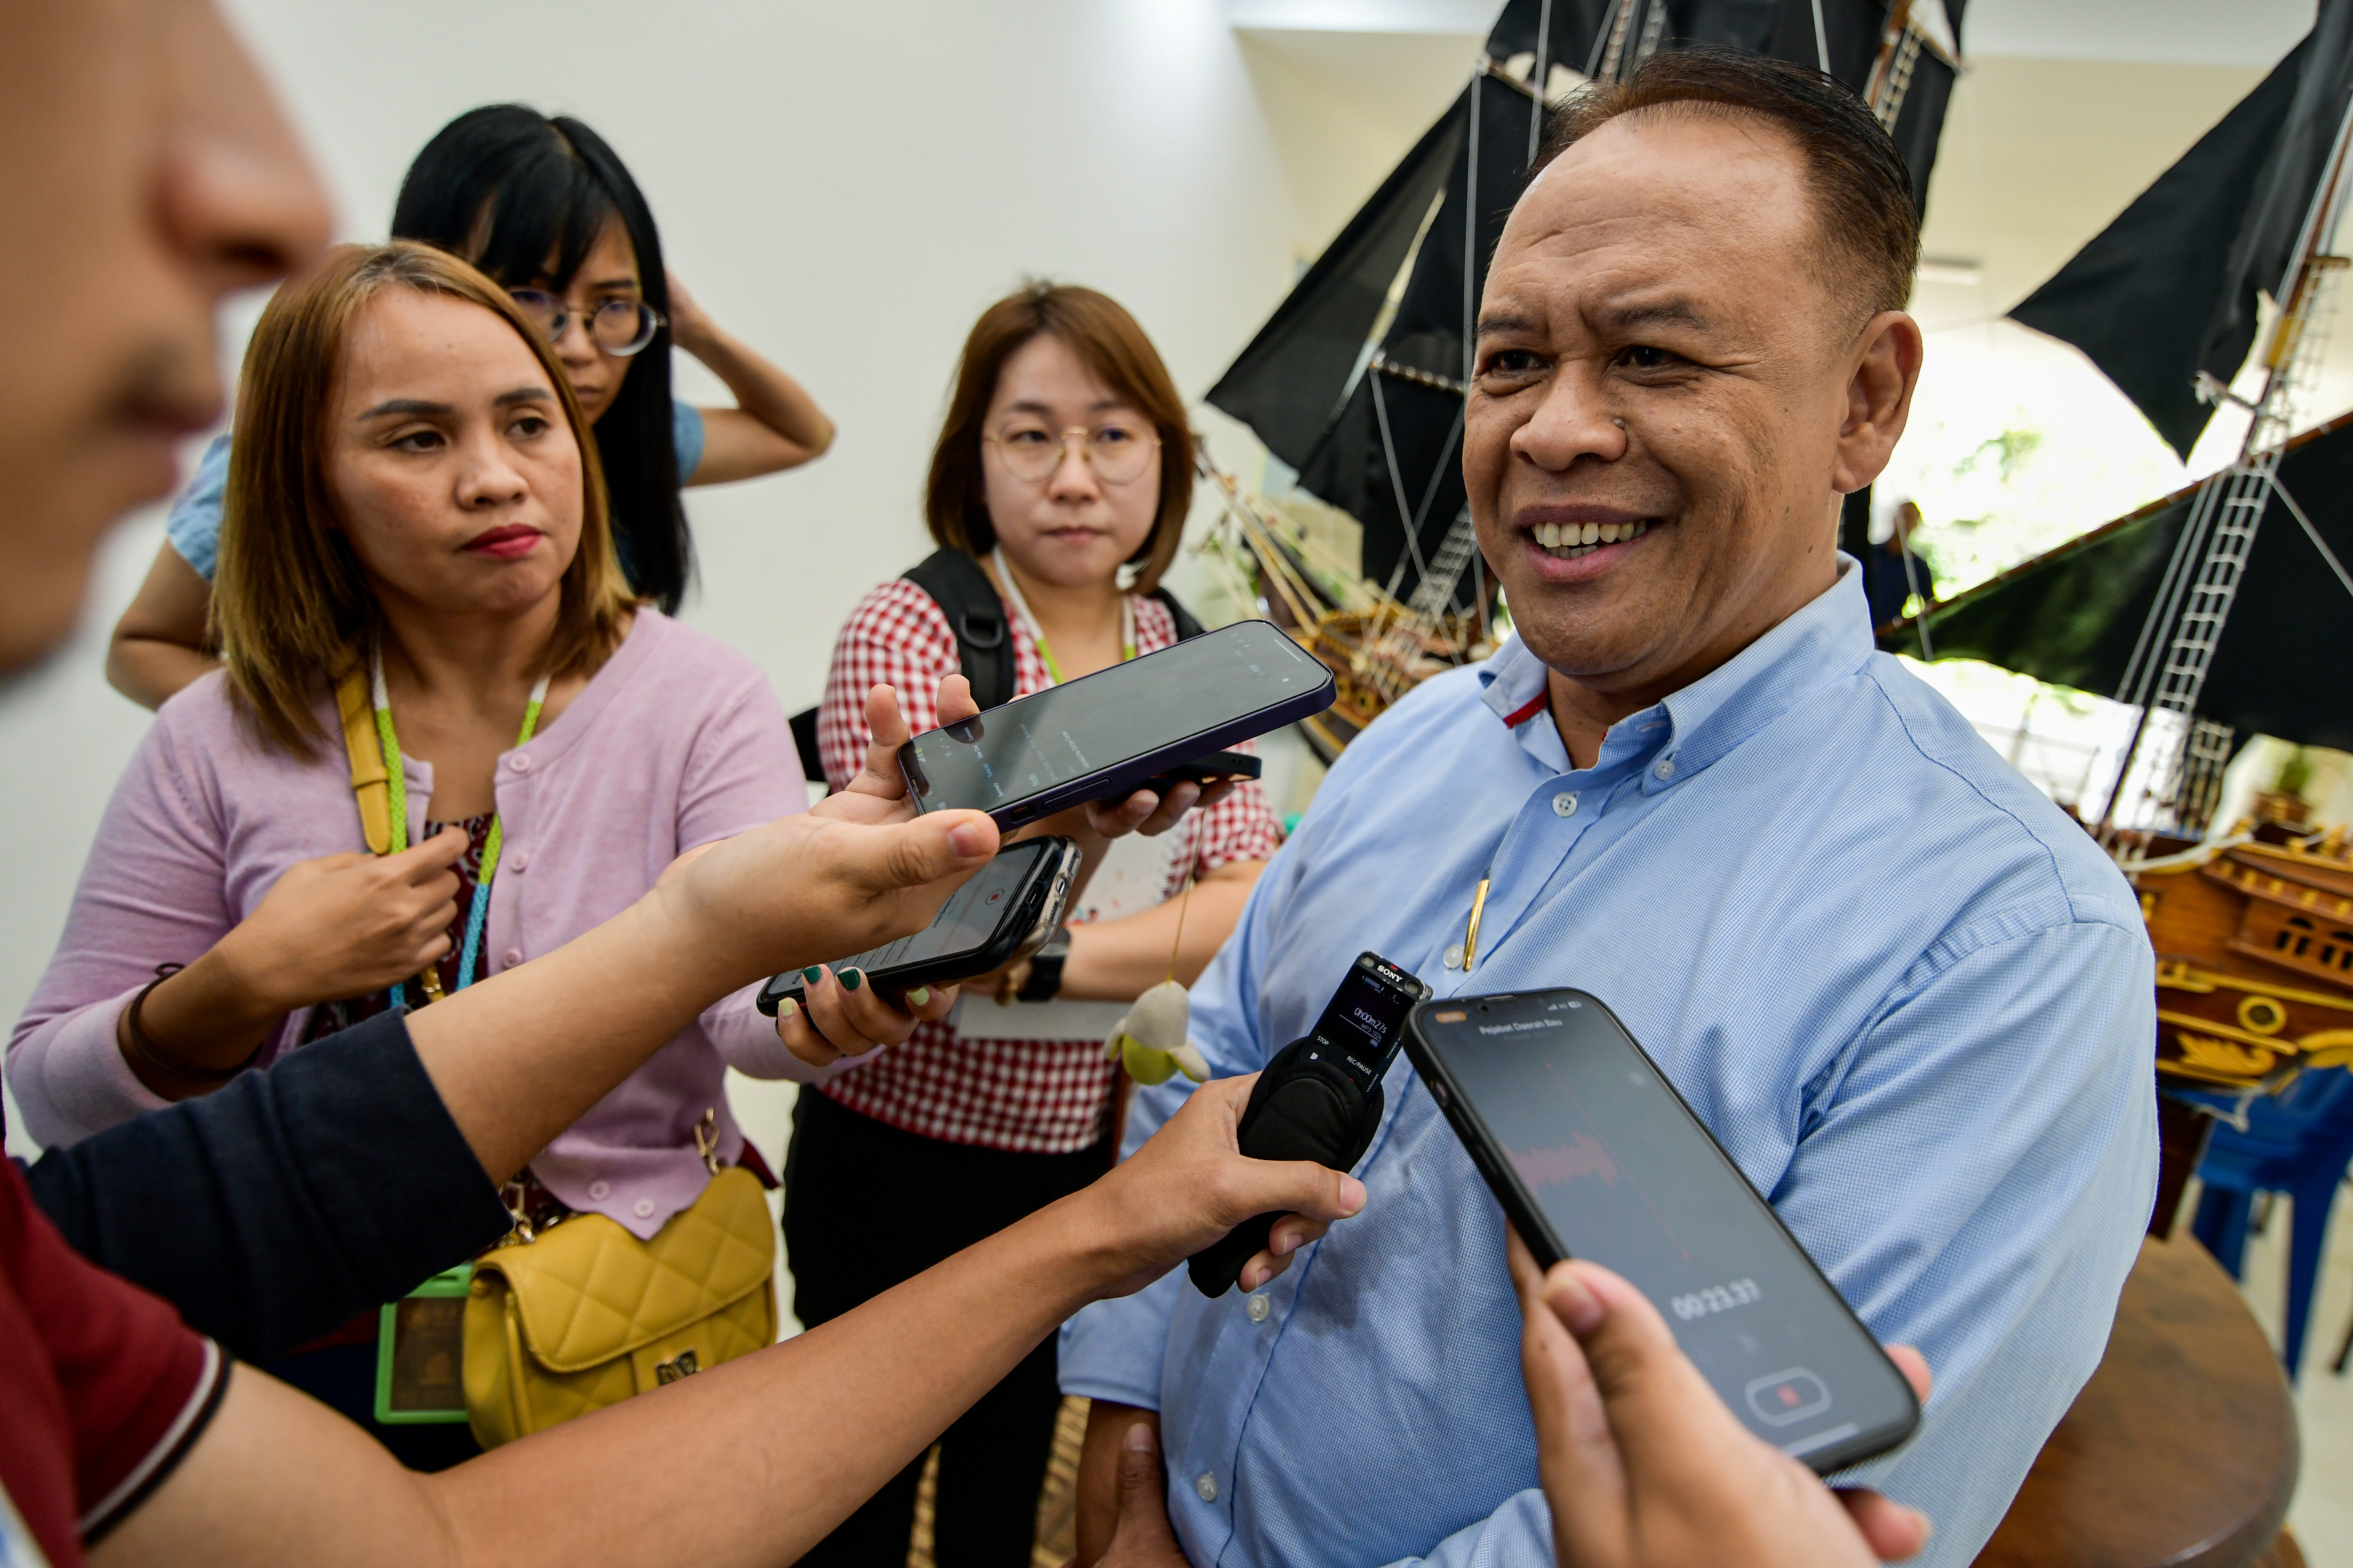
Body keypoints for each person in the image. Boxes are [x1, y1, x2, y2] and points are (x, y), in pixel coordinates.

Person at [1061, 48, 2156, 1568]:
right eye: (1512, 360)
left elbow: (1760, 1510)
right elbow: (1222, 1054)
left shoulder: (2007, 947)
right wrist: (1125, 1440)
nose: (1553, 430)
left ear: (1867, 400)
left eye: (1652, 356)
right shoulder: (1415, 742)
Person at [6, 238, 839, 1465]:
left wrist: (850, 986)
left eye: (528, 424)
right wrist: (240, 984)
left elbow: (753, 1018)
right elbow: (51, 1099)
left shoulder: (700, 699)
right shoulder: (219, 732)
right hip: (298, 1351)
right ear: (309, 486)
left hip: (611, 1317)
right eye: (416, 439)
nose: (496, 479)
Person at [790, 281, 1284, 1565]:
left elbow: (1244, 905)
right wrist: (1062, 909)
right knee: (845, 1490)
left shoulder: (1181, 645)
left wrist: (1037, 957)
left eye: (1112, 435)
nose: (1074, 476)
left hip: (1077, 1155)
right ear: (975, 454)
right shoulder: (913, 628)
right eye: (1030, 435)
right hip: (890, 1153)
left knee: (1005, 1489)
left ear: (1165, 456)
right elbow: (915, 923)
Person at [105, 103, 835, 709]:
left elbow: (800, 434)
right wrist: (320, 754)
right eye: (530, 298)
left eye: (611, 304)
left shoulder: (618, 434)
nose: (577, 346)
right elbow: (144, 645)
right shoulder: (294, 453)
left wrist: (689, 325)